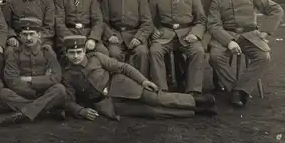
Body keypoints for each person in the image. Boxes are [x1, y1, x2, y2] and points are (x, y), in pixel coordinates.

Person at [62, 35, 217, 121]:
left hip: (121, 85)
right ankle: (195, 112)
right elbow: (68, 99)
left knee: (156, 99)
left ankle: (197, 101)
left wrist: (144, 81)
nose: (76, 56)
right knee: (152, 113)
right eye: (72, 53)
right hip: (108, 103)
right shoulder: (67, 74)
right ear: (66, 54)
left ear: (84, 51)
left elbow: (124, 67)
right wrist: (81, 111)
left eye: (79, 52)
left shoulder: (96, 57)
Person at [207, 0, 283, 108]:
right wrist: (229, 42)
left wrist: (266, 31)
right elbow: (213, 25)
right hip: (226, 36)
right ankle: (235, 89)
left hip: (250, 36)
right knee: (215, 57)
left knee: (263, 56)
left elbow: (276, 9)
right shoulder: (216, 1)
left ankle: (239, 90)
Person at [148, 0, 207, 95]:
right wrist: (153, 30)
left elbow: (201, 20)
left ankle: (193, 90)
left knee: (197, 51)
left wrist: (195, 34)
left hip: (187, 34)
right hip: (165, 35)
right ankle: (161, 89)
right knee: (154, 50)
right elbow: (148, 20)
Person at [0, 17, 66, 124]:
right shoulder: (14, 54)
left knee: (60, 89)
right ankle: (46, 112)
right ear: (20, 36)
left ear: (39, 34)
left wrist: (29, 79)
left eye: (31, 34)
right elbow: (12, 81)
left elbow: (55, 77)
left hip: (44, 93)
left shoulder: (47, 52)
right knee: (3, 93)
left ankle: (22, 113)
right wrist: (39, 86)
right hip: (25, 95)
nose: (28, 38)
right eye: (25, 34)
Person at [101, 0, 153, 77]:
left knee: (142, 52)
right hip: (116, 36)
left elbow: (147, 22)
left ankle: (141, 82)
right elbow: (103, 22)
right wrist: (109, 35)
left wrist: (139, 38)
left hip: (135, 34)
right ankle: (118, 83)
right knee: (113, 53)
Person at [54, 0, 109, 66]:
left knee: (104, 52)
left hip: (87, 34)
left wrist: (93, 38)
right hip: (68, 35)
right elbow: (59, 22)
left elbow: (98, 20)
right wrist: (70, 39)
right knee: (65, 56)